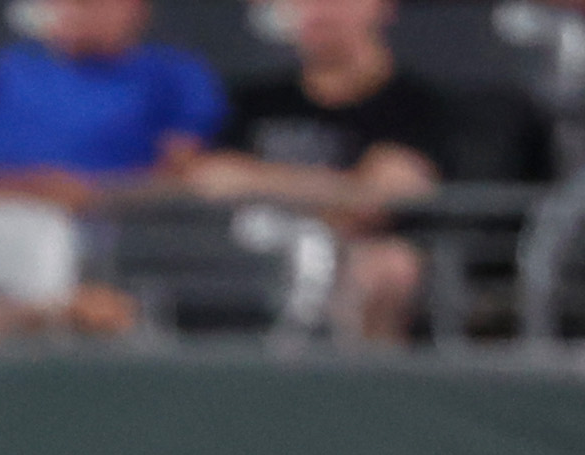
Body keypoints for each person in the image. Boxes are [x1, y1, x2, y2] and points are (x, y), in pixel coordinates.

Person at [173, 0, 445, 343]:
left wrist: (259, 181)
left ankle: (369, 389)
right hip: (253, 258)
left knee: (390, 266)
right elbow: (211, 180)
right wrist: (340, 189)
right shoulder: (256, 101)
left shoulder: (414, 105)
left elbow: (381, 199)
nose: (320, 10)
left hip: (350, 269)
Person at [0, 0, 225, 203]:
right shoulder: (1, 68)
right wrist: (8, 192)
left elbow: (182, 177)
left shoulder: (177, 75)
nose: (82, 11)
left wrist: (90, 193)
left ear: (137, 8)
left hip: (110, 231)